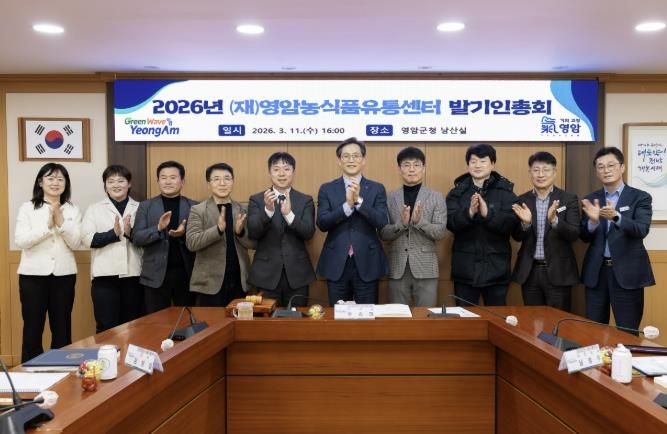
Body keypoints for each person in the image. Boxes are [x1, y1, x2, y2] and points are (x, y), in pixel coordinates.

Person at [580, 147, 655, 331]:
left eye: (611, 165)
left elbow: (641, 229)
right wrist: (592, 222)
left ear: (622, 167)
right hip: (597, 273)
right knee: (594, 330)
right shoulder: (591, 199)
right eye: (601, 167)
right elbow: (583, 237)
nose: (606, 170)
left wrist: (616, 217)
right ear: (596, 171)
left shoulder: (640, 197)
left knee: (628, 331)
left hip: (627, 273)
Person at [15, 163, 80, 362]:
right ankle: (29, 370)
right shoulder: (28, 207)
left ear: (66, 184)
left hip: (64, 275)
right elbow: (21, 241)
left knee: (62, 326)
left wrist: (61, 223)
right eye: (50, 178)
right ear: (40, 182)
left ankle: (62, 370)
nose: (55, 183)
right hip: (32, 276)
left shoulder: (72, 209)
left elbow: (76, 243)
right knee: (33, 327)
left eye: (60, 179)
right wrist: (47, 226)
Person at [316, 137, 389, 305]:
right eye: (346, 156)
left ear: (363, 160)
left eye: (356, 156)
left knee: (367, 314)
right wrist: (347, 206)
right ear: (339, 161)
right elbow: (322, 222)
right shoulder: (327, 188)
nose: (351, 160)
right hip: (336, 262)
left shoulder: (377, 188)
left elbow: (381, 220)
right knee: (338, 314)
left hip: (368, 261)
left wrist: (358, 202)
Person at [446, 143, 518, 306]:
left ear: (492, 164)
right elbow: (450, 223)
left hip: (497, 269)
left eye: (483, 161)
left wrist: (488, 214)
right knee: (465, 317)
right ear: (468, 165)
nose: (477, 165)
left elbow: (512, 225)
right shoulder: (457, 192)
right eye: (473, 161)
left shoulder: (506, 192)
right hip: (465, 270)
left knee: (497, 317)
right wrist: (469, 213)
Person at [511, 152, 580, 311]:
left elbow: (574, 233)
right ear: (530, 173)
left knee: (558, 320)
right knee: (532, 320)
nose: (540, 174)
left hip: (559, 271)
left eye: (546, 170)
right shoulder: (522, 200)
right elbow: (516, 235)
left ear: (554, 172)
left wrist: (555, 221)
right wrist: (525, 224)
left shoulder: (568, 199)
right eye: (536, 170)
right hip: (530, 272)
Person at [380, 147, 447, 306]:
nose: (411, 169)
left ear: (423, 168)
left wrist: (419, 223)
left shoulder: (436, 197)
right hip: (397, 267)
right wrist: (401, 224)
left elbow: (440, 232)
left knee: (426, 316)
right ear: (399, 169)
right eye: (406, 165)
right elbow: (383, 233)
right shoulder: (389, 198)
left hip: (426, 268)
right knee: (397, 316)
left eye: (416, 165)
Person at [247, 152, 316, 307]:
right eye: (276, 169)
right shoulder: (257, 200)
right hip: (265, 274)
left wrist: (289, 215)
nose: (282, 174)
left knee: (297, 318)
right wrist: (268, 211)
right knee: (266, 319)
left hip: (298, 274)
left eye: (286, 169)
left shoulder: (305, 200)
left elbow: (308, 233)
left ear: (293, 172)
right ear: (269, 173)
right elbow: (253, 232)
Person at [81, 165, 144, 333]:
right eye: (111, 181)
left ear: (129, 184)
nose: (116, 185)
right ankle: (107, 353)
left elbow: (146, 240)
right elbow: (87, 239)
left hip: (133, 275)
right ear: (105, 185)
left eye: (121, 181)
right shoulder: (94, 209)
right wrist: (113, 234)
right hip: (104, 277)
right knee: (106, 326)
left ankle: (129, 353)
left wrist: (130, 234)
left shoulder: (141, 207)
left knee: (133, 326)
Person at [132, 161, 196, 313]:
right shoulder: (145, 206)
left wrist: (183, 235)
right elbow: (137, 238)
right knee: (155, 322)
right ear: (158, 181)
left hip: (186, 274)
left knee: (186, 319)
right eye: (163, 177)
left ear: (182, 181)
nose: (168, 181)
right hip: (155, 275)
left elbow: (200, 239)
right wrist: (158, 228)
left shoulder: (194, 206)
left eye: (173, 177)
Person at [186, 163, 254, 306]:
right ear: (209, 184)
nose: (222, 183)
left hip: (239, 280)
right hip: (209, 283)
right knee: (210, 320)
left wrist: (240, 232)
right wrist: (217, 230)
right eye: (216, 179)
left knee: (239, 320)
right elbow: (192, 243)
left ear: (233, 182)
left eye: (227, 178)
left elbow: (254, 244)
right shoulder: (198, 210)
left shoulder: (243, 209)